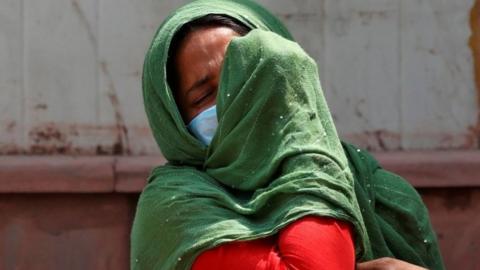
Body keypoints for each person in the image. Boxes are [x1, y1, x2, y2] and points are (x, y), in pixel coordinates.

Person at [131, 1, 445, 269]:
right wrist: (303, 142)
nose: (233, 102)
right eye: (203, 96)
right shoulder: (176, 211)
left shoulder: (384, 195)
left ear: (286, 78)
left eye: (246, 77)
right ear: (174, 120)